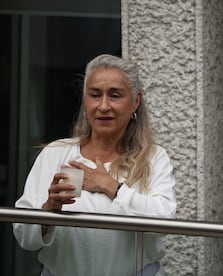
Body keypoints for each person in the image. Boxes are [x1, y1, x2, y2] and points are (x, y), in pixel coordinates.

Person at [13, 54, 176, 276]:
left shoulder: (153, 158)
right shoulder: (55, 154)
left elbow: (166, 220)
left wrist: (110, 186)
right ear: (85, 99)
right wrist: (48, 211)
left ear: (135, 101)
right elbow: (23, 235)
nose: (104, 106)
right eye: (95, 95)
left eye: (115, 95)